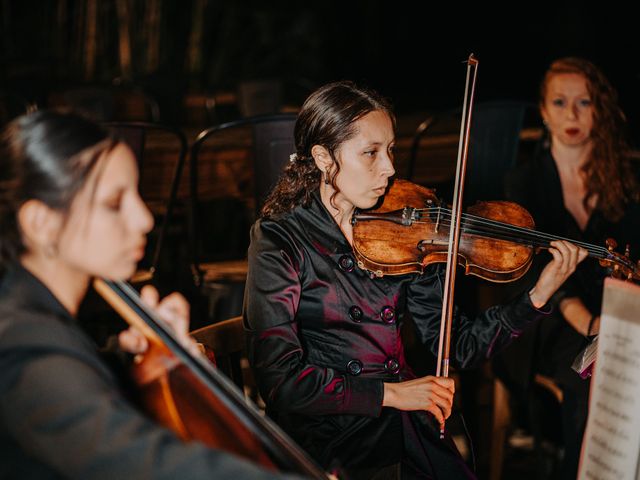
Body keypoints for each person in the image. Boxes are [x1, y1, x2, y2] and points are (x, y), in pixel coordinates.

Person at [242, 80, 587, 480]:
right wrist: (393, 394)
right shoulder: (278, 239)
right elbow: (280, 381)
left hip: (400, 424)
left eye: (390, 150)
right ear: (323, 157)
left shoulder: (410, 231)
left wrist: (538, 295)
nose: (388, 168)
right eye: (370, 153)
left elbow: (459, 346)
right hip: (327, 439)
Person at [0, 110, 308, 479]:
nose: (145, 219)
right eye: (115, 203)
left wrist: (130, 363)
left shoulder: (34, 323)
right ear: (41, 222)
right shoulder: (23, 348)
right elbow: (147, 463)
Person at [494, 57, 640, 478]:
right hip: (546, 320)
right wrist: (590, 322)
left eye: (584, 102)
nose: (572, 115)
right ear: (543, 111)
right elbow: (537, 271)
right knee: (588, 380)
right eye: (560, 102)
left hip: (611, 316)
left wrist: (613, 321)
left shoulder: (624, 180)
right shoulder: (522, 182)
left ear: (600, 111)